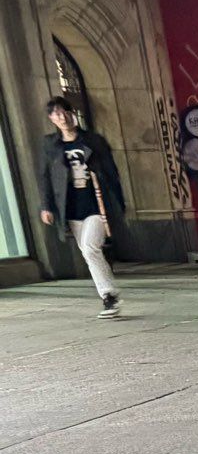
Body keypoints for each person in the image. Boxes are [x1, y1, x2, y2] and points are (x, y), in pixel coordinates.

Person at [39, 96, 125, 318]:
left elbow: (111, 173)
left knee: (90, 248)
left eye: (65, 112)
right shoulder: (50, 145)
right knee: (89, 253)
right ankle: (110, 297)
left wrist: (119, 203)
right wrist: (46, 206)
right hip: (70, 208)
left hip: (96, 204)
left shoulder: (93, 141)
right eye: (57, 114)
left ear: (72, 114)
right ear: (51, 118)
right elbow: (45, 178)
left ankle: (109, 295)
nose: (62, 117)